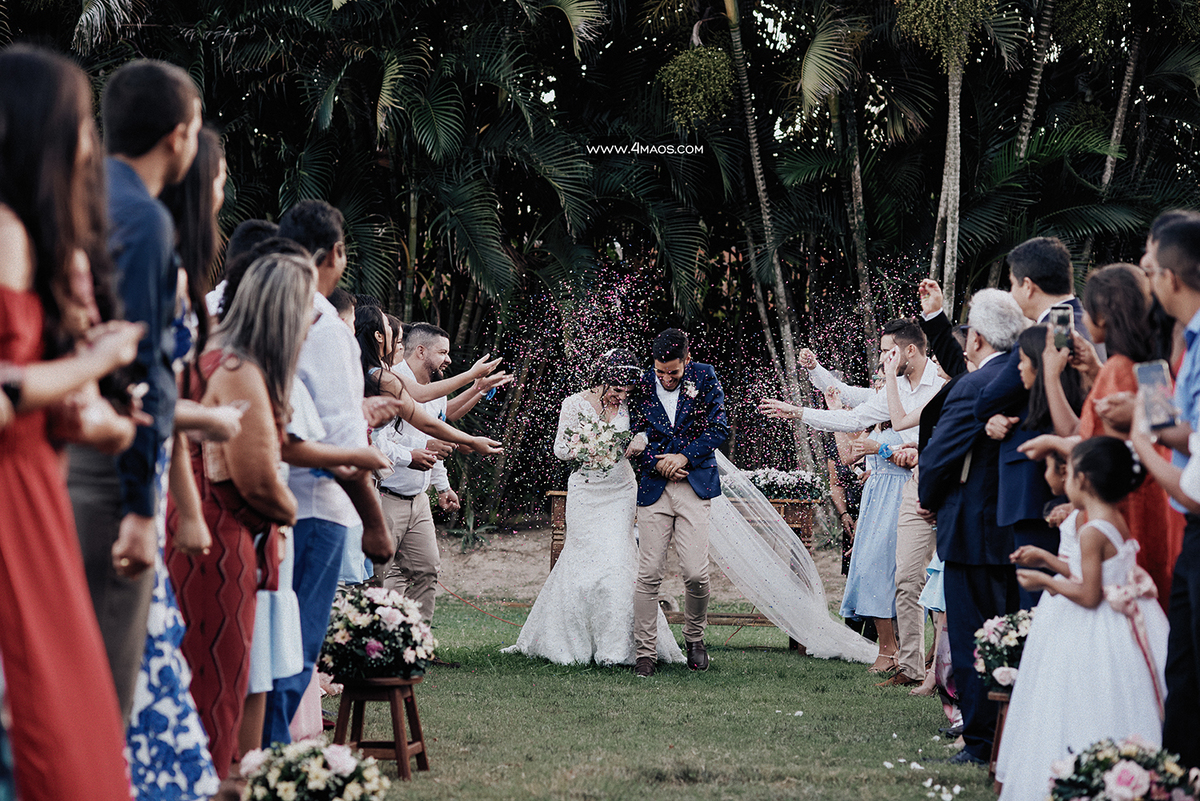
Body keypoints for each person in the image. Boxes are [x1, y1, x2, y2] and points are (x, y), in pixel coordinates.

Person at [0, 44, 146, 801]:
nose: (91, 142)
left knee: (62, 727)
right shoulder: (2, 232)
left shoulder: (31, 236)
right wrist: (97, 360)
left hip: (36, 497)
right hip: (9, 514)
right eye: (81, 123)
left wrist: (99, 419)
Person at [65, 57, 202, 726]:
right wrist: (142, 508)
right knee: (101, 690)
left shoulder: (78, 197)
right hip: (109, 470)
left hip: (66, 445)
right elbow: (144, 369)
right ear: (179, 134)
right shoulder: (143, 219)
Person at [167, 254, 313, 776]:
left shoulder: (211, 356)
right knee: (223, 680)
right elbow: (255, 480)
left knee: (223, 677)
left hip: (198, 522)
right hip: (223, 536)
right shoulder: (240, 368)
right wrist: (292, 510)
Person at [759, 319, 943, 681]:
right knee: (901, 576)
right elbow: (854, 415)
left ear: (909, 350)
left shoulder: (940, 384)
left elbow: (927, 434)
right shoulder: (895, 386)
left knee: (932, 577)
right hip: (896, 488)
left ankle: (937, 659)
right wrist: (798, 412)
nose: (884, 359)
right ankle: (906, 661)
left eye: (889, 352)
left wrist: (888, 447)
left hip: (934, 487)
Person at [996, 437, 1167, 799]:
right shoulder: (1114, 520)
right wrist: (1046, 560)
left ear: (1083, 480)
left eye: (1069, 473)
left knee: (1078, 702)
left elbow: (1089, 595)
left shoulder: (1090, 531)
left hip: (1094, 625)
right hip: (1121, 624)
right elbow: (1091, 573)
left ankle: (1076, 775)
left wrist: (1044, 581)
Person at [504, 350, 686, 665]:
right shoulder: (574, 404)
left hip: (620, 491)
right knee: (581, 562)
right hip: (585, 491)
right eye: (615, 391)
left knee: (617, 562)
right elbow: (560, 449)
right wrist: (588, 447)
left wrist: (641, 439)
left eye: (626, 393)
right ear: (602, 381)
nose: (620, 397)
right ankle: (572, 644)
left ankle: (617, 649)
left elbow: (651, 432)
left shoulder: (635, 405)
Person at [918, 288, 1028, 766]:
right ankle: (1010, 732)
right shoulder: (1028, 376)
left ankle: (982, 741)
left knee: (974, 638)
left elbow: (939, 456)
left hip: (973, 529)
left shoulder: (972, 385)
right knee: (1012, 633)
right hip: (1018, 528)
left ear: (978, 338)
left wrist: (929, 500)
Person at [976, 237, 1091, 610]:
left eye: (1011, 283)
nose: (1012, 292)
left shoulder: (1052, 329)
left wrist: (991, 413)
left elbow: (988, 399)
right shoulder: (1081, 320)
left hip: (1041, 481)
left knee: (1039, 603)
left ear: (1028, 285)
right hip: (1064, 479)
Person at [1074, 264, 1184, 608]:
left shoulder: (1116, 368)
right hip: (1162, 497)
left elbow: (1098, 445)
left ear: (1102, 316)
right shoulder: (1154, 366)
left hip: (1125, 507)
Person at [628, 329, 730, 677]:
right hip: (654, 486)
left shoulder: (705, 376)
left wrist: (683, 457)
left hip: (693, 484)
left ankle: (695, 638)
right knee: (649, 573)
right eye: (660, 372)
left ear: (687, 360)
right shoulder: (641, 383)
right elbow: (629, 433)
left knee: (696, 574)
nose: (667, 379)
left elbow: (718, 429)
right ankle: (645, 653)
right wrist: (657, 461)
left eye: (673, 371)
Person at [1137, 210, 1200, 767]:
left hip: (1182, 498)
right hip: (1184, 498)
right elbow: (1179, 425)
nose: (1146, 276)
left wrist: (1139, 434)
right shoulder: (1178, 339)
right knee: (1183, 671)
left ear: (1172, 279)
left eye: (1152, 268)